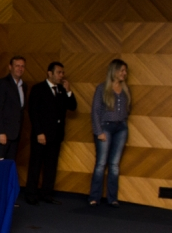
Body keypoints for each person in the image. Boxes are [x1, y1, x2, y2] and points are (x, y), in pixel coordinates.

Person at [24, 62, 78, 205]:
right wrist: (39, 132)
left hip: (56, 135)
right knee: (36, 164)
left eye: (62, 73)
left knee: (51, 166)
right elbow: (33, 112)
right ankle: (31, 194)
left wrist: (68, 91)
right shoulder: (38, 89)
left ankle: (46, 193)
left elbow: (73, 106)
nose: (61, 75)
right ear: (50, 73)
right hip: (41, 134)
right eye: (59, 72)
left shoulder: (61, 90)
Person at [88, 59, 131, 207]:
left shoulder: (125, 90)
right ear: (114, 71)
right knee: (101, 163)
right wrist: (98, 131)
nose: (124, 73)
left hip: (121, 128)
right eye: (122, 70)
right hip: (105, 127)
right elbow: (95, 111)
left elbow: (127, 109)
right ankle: (94, 197)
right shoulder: (102, 88)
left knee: (114, 165)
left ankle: (112, 198)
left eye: (125, 71)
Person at [0, 56, 26, 160]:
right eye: (17, 66)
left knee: (9, 163)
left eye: (22, 66)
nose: (20, 68)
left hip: (15, 134)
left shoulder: (23, 86)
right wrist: (1, 132)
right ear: (10, 67)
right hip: (3, 134)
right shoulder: (3, 83)